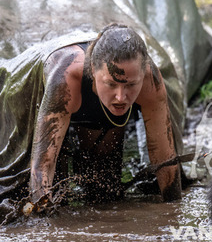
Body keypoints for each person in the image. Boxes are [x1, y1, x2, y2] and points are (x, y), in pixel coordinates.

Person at [27, 24, 181, 211]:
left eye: (131, 85)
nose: (121, 97)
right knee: (56, 191)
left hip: (104, 121)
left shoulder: (151, 80)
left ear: (143, 73)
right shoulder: (66, 76)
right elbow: (43, 165)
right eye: (111, 84)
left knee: (106, 190)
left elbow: (164, 155)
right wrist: (41, 222)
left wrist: (174, 212)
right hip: (54, 104)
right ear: (93, 69)